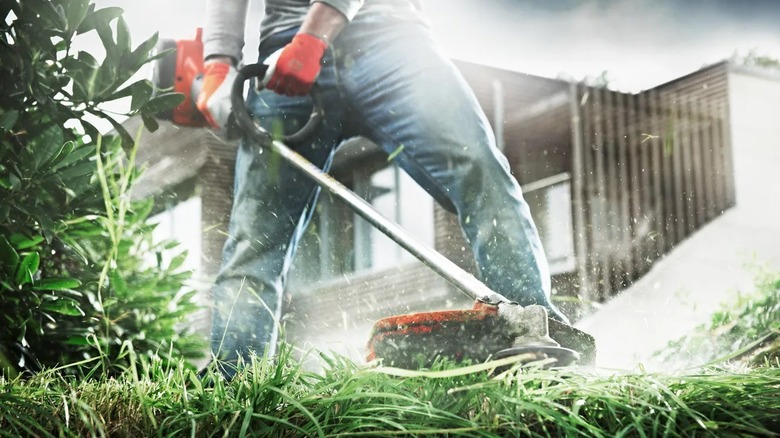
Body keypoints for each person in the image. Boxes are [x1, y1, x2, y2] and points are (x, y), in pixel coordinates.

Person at [196, 0, 570, 377]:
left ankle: (536, 344)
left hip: (391, 41)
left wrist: (313, 37)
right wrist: (218, 62)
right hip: (285, 55)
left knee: (480, 172)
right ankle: (234, 380)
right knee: (257, 233)